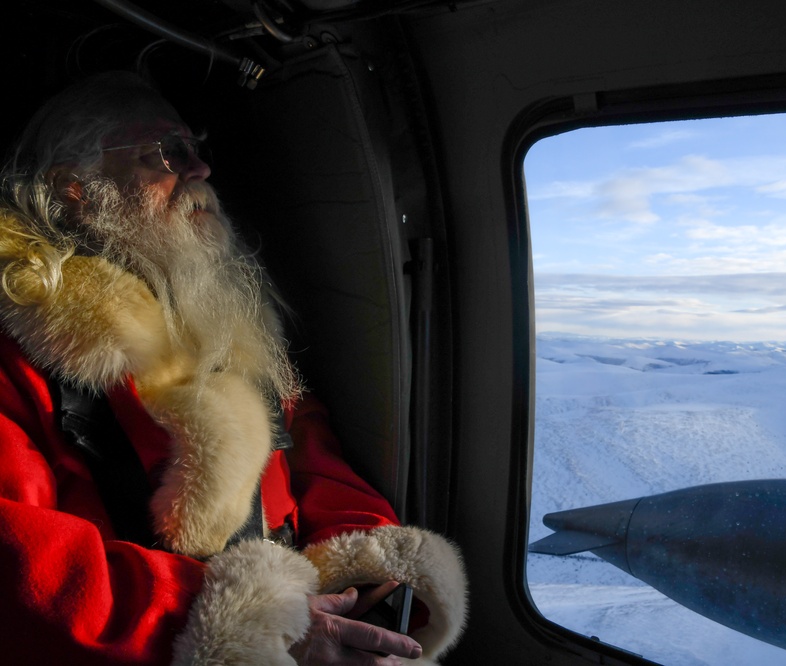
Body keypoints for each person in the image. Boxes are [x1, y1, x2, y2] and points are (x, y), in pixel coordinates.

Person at [0, 71, 466, 665]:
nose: (199, 171)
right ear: (76, 188)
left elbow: (311, 456)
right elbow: (22, 564)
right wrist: (255, 626)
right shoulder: (19, 345)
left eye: (196, 149)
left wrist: (368, 574)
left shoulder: (227, 321)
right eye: (167, 153)